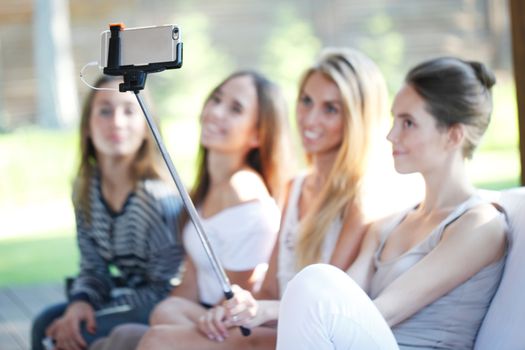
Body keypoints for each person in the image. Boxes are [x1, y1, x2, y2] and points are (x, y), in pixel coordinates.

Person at [225, 57, 508, 350]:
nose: (391, 135)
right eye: (394, 120)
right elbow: (344, 298)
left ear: (453, 135)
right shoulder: (388, 226)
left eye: (408, 123)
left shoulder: (479, 224)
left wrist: (267, 310)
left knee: (316, 279)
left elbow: (384, 311)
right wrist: (257, 310)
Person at [136, 47, 389, 349]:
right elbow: (268, 288)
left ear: (355, 119)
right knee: (168, 312)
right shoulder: (295, 186)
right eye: (306, 101)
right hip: (272, 321)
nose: (310, 118)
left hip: (311, 336)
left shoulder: (357, 199)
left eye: (330, 109)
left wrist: (255, 313)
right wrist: (230, 312)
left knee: (156, 340)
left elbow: (328, 301)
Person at [89, 70, 291, 350]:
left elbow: (239, 297)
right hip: (200, 313)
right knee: (160, 314)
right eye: (216, 99)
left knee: (129, 338)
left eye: (235, 109)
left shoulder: (244, 194)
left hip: (233, 325)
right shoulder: (207, 190)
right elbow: (188, 285)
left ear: (258, 134)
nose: (217, 112)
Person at [31, 75, 185, 350]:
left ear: (146, 127)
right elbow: (93, 266)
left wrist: (101, 309)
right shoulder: (85, 189)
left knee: (70, 336)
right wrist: (81, 302)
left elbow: (168, 287)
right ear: (87, 126)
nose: (116, 122)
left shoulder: (158, 198)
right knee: (45, 323)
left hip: (167, 304)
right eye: (105, 110)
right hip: (124, 295)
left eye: (129, 111)